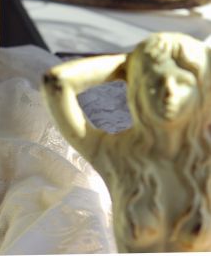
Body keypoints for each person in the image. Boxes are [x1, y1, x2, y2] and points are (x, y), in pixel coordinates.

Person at [42, 32, 211, 252]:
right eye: (154, 82)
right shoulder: (115, 155)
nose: (168, 92)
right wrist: (131, 63)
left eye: (182, 82)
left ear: (201, 91)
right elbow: (58, 82)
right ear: (136, 89)